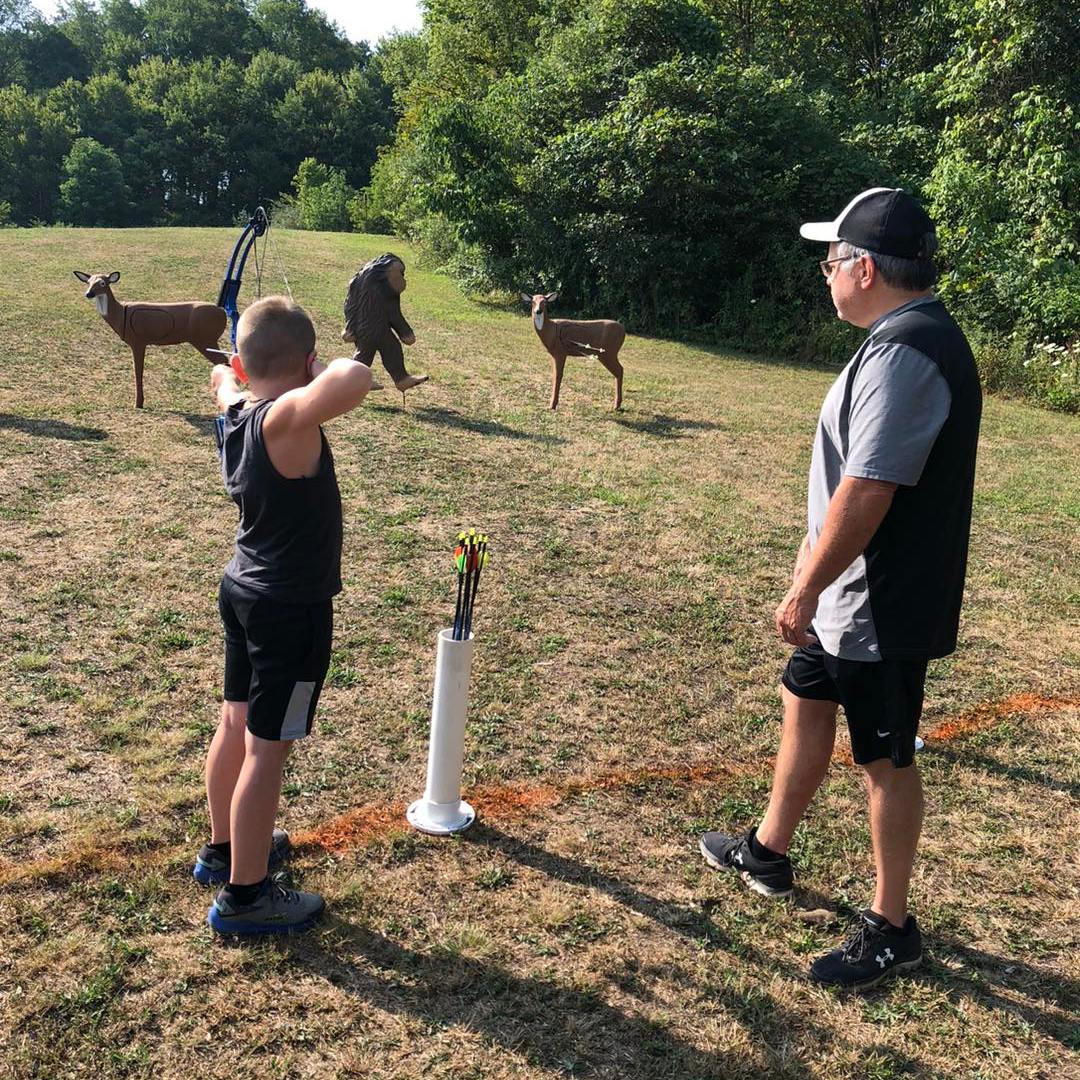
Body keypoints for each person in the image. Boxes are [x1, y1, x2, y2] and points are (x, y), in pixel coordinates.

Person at [700, 188, 982, 989]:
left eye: (831, 261)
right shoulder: (902, 337)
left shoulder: (910, 349)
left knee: (886, 760)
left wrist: (805, 588)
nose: (826, 275)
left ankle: (893, 927)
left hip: (877, 604)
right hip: (843, 596)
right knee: (805, 702)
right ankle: (768, 849)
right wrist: (812, 580)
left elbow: (870, 488)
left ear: (863, 267)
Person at [194, 295, 372, 935]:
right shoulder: (284, 420)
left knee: (235, 721)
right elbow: (356, 377)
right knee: (267, 750)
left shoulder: (235, 409)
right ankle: (247, 896)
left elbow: (222, 381)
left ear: (243, 363)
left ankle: (222, 851)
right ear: (304, 362)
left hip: (243, 589)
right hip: (288, 609)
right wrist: (321, 366)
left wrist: (232, 378)